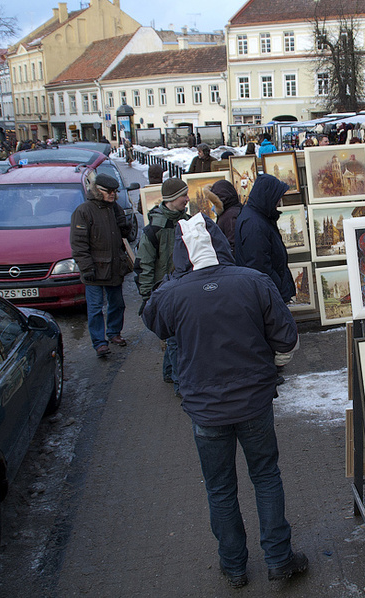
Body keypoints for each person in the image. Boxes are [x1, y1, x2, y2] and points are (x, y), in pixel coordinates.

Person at [142, 213, 308, 589]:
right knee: (265, 476)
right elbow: (286, 338)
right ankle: (279, 558)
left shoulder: (171, 293)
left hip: (206, 410)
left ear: (181, 255)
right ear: (221, 244)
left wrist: (177, 279)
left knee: (220, 488)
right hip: (254, 403)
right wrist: (274, 364)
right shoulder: (254, 282)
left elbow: (156, 323)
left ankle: (233, 566)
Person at [70, 173, 133, 358]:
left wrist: (125, 225)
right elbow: (79, 243)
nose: (113, 195)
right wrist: (86, 267)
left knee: (117, 304)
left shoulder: (115, 209)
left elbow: (125, 237)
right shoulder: (84, 211)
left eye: (115, 191)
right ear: (98, 191)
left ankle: (114, 332)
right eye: (109, 192)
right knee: (96, 308)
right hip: (94, 269)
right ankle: (99, 343)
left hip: (114, 266)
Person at [138, 177, 191, 393]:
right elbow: (145, 264)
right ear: (171, 199)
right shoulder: (153, 230)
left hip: (184, 286)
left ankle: (170, 373)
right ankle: (180, 385)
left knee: (174, 337)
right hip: (164, 291)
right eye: (183, 196)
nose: (187, 199)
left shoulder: (187, 222)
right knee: (176, 339)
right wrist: (146, 296)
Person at [235, 174, 295, 303]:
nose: (279, 202)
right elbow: (259, 266)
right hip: (268, 295)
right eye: (278, 197)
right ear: (268, 196)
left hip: (269, 293)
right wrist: (278, 288)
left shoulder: (257, 216)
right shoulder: (254, 223)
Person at [203, 179, 242, 255]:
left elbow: (232, 246)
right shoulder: (230, 213)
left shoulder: (230, 216)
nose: (212, 207)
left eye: (214, 203)